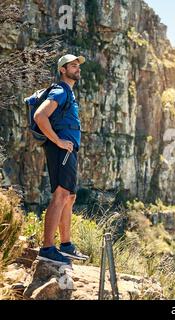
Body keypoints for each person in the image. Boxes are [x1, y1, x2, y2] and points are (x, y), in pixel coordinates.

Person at [34, 54, 89, 265]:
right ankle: (47, 248)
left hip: (68, 151)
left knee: (70, 196)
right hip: (61, 150)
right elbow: (40, 116)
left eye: (78, 66)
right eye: (72, 66)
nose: (77, 68)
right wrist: (57, 141)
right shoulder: (60, 90)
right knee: (61, 195)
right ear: (62, 70)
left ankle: (66, 246)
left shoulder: (68, 93)